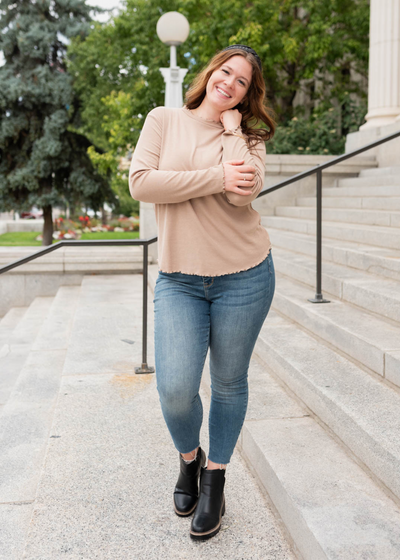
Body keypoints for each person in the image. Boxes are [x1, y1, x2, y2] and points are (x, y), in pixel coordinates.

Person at [129, 44, 276, 541]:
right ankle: (188, 459)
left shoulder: (250, 138)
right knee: (174, 390)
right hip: (179, 279)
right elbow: (143, 184)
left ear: (247, 95)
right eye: (225, 71)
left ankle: (215, 477)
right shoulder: (163, 120)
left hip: (245, 274)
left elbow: (241, 196)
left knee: (230, 383)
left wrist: (233, 132)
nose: (229, 83)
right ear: (210, 71)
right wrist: (214, 175)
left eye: (241, 81)